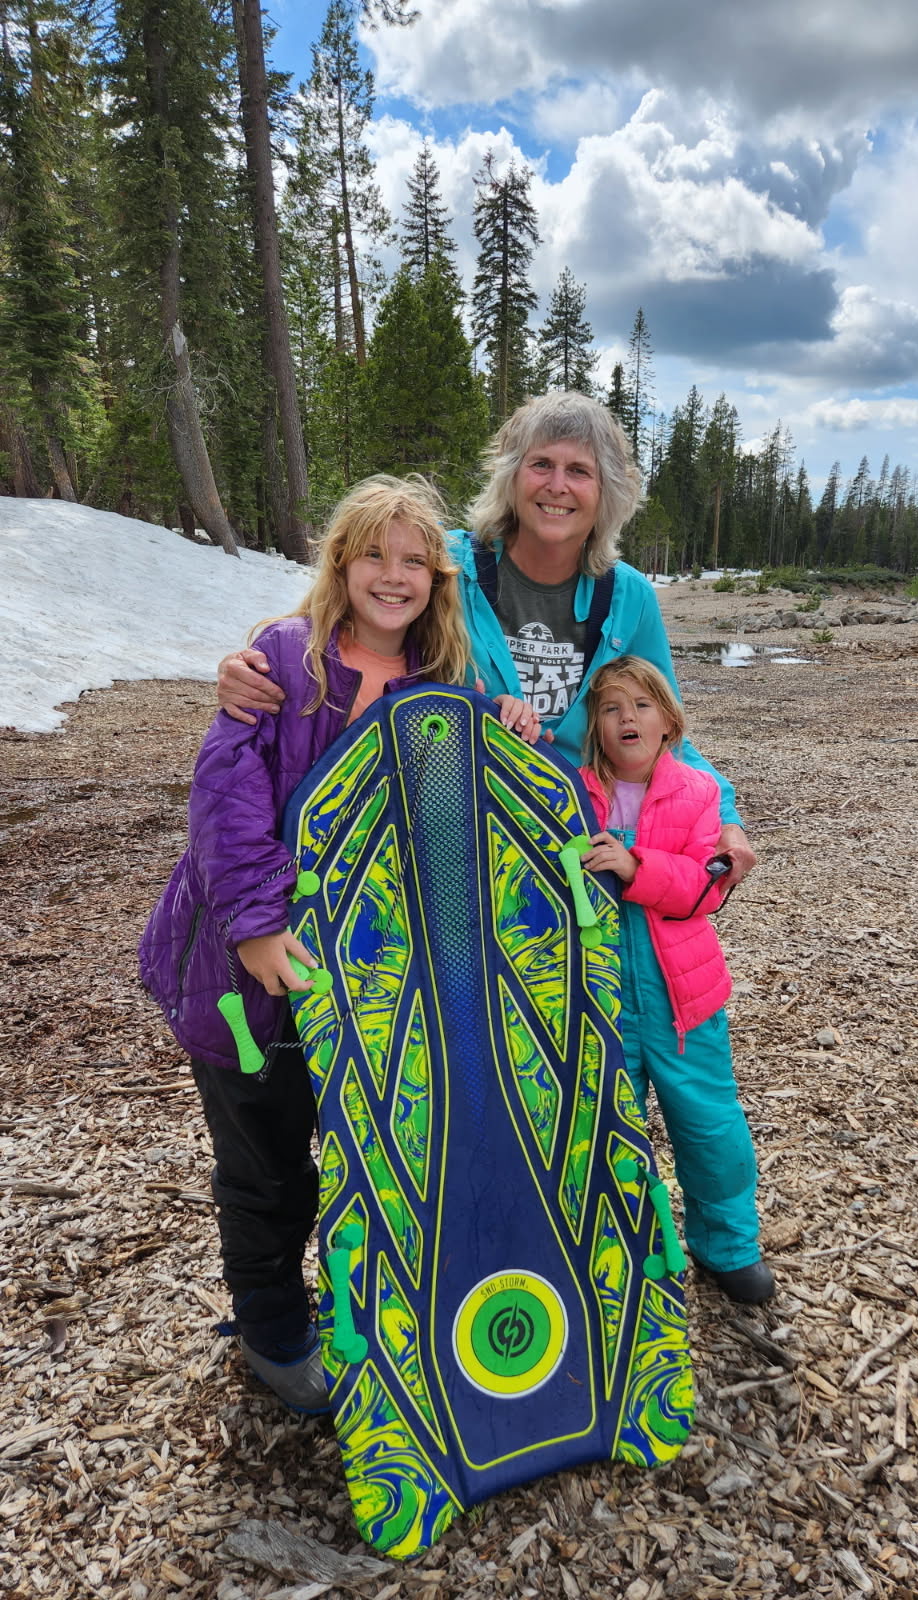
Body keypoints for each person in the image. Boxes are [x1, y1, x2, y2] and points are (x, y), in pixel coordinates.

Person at [139, 475, 540, 1414]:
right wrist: (260, 926)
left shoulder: (443, 687)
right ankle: (274, 1330)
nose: (393, 577)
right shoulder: (284, 655)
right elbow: (223, 796)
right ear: (340, 561)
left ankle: (363, 1313)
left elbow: (461, 821)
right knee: (266, 1157)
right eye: (375, 555)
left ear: (437, 578)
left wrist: (510, 727)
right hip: (243, 981)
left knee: (368, 1147)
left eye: (414, 560)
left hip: (365, 980)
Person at [216, 391, 755, 883]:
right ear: (510, 476)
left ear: (607, 490)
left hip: (576, 847)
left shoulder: (629, 596)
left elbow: (668, 731)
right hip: (439, 842)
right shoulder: (446, 562)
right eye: (540, 463)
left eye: (580, 471)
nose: (557, 485)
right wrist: (257, 667)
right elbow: (344, 623)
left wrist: (725, 820)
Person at [579, 656, 773, 1304]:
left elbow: (703, 888)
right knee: (611, 1126)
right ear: (595, 727)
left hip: (684, 1000)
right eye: (610, 708)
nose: (626, 717)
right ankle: (623, 1250)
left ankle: (727, 1245)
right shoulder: (577, 792)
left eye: (641, 705)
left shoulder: (697, 794)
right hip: (601, 997)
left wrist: (635, 868)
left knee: (709, 1128)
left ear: (670, 722)